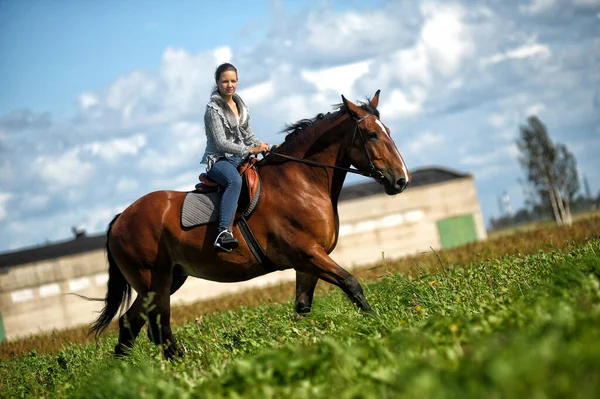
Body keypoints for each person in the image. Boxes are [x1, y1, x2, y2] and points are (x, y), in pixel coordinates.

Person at [201, 63, 269, 252]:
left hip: (239, 157)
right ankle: (223, 232)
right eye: (225, 81)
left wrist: (262, 146)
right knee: (234, 182)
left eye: (233, 81)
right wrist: (249, 151)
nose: (229, 85)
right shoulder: (212, 109)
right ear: (218, 83)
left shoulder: (240, 105)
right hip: (219, 160)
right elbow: (221, 143)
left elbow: (248, 135)